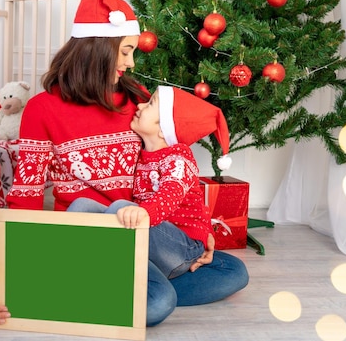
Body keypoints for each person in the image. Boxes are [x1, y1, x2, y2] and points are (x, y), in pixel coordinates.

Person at [0, 0, 248, 328]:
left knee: (234, 272)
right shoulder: (42, 109)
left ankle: (62, 291)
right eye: (125, 51)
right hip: (88, 241)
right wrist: (14, 268)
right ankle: (45, 287)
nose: (131, 62)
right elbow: (27, 195)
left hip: (144, 233)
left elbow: (172, 169)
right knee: (155, 307)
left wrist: (196, 233)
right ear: (97, 50)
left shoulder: (137, 99)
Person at [68, 84, 233, 282]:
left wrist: (144, 212)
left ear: (164, 130)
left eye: (150, 104)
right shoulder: (142, 156)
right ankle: (69, 264)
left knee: (122, 208)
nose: (139, 107)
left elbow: (171, 194)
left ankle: (100, 274)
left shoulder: (179, 157)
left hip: (182, 248)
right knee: (82, 206)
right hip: (153, 240)